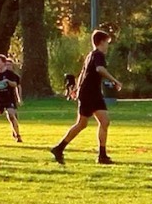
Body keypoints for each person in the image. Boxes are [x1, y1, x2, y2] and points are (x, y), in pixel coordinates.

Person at [49, 29, 117, 166]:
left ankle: (102, 155)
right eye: (107, 43)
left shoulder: (90, 55)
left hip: (91, 93)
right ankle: (59, 148)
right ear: (101, 42)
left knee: (103, 122)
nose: (108, 46)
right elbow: (99, 69)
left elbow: (82, 73)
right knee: (82, 123)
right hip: (89, 94)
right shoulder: (98, 55)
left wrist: (76, 89)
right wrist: (115, 80)